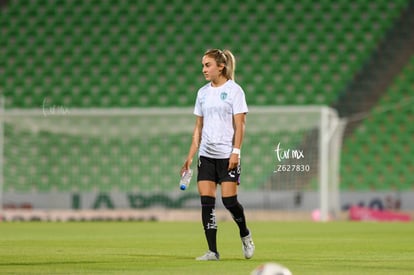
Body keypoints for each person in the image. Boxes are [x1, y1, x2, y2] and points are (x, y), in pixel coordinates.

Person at [181, 49, 255, 261]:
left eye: (207, 65)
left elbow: (240, 125)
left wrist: (236, 152)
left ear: (220, 66)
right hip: (206, 155)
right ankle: (213, 251)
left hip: (227, 156)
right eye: (203, 65)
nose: (204, 69)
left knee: (230, 202)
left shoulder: (234, 91)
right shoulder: (202, 93)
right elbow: (198, 127)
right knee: (207, 202)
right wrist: (189, 157)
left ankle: (245, 234)